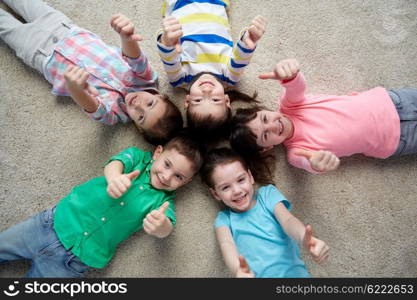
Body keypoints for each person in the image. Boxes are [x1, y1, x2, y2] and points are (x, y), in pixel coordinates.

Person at [0, 132, 203, 277]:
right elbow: (115, 163)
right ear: (158, 152)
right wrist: (115, 177)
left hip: (77, 259)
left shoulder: (163, 202)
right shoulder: (138, 158)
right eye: (167, 164)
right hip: (51, 224)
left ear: (187, 182)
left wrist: (161, 226)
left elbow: (168, 225)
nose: (167, 176)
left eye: (178, 176)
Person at [0, 0, 183, 145]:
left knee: (5, 26)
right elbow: (135, 59)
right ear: (161, 96)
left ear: (138, 128)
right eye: (150, 103)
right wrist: (126, 37)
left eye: (141, 116)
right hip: (66, 31)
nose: (138, 105)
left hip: (41, 54)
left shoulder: (114, 114)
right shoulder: (147, 79)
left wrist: (75, 88)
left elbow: (93, 107)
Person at [230, 58, 417, 174]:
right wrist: (316, 164)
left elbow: (297, 87)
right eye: (265, 135)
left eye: (264, 118)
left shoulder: (290, 105)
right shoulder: (297, 152)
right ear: (267, 147)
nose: (272, 126)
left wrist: (288, 75)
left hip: (390, 101)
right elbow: (307, 162)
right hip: (394, 140)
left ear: (265, 110)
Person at [200, 147, 329, 277]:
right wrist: (237, 270)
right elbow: (226, 245)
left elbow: (288, 220)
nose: (237, 190)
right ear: (216, 194)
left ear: (250, 177)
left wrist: (305, 238)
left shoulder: (267, 195)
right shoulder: (224, 220)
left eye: (240, 180)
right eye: (226, 187)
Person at [157, 0, 266, 138]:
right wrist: (249, 39)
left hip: (182, 4)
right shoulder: (229, 77)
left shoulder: (180, 79)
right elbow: (241, 58)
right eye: (215, 100)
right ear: (227, 100)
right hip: (216, 4)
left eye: (198, 100)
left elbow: (168, 58)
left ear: (187, 100)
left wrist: (167, 41)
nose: (206, 91)